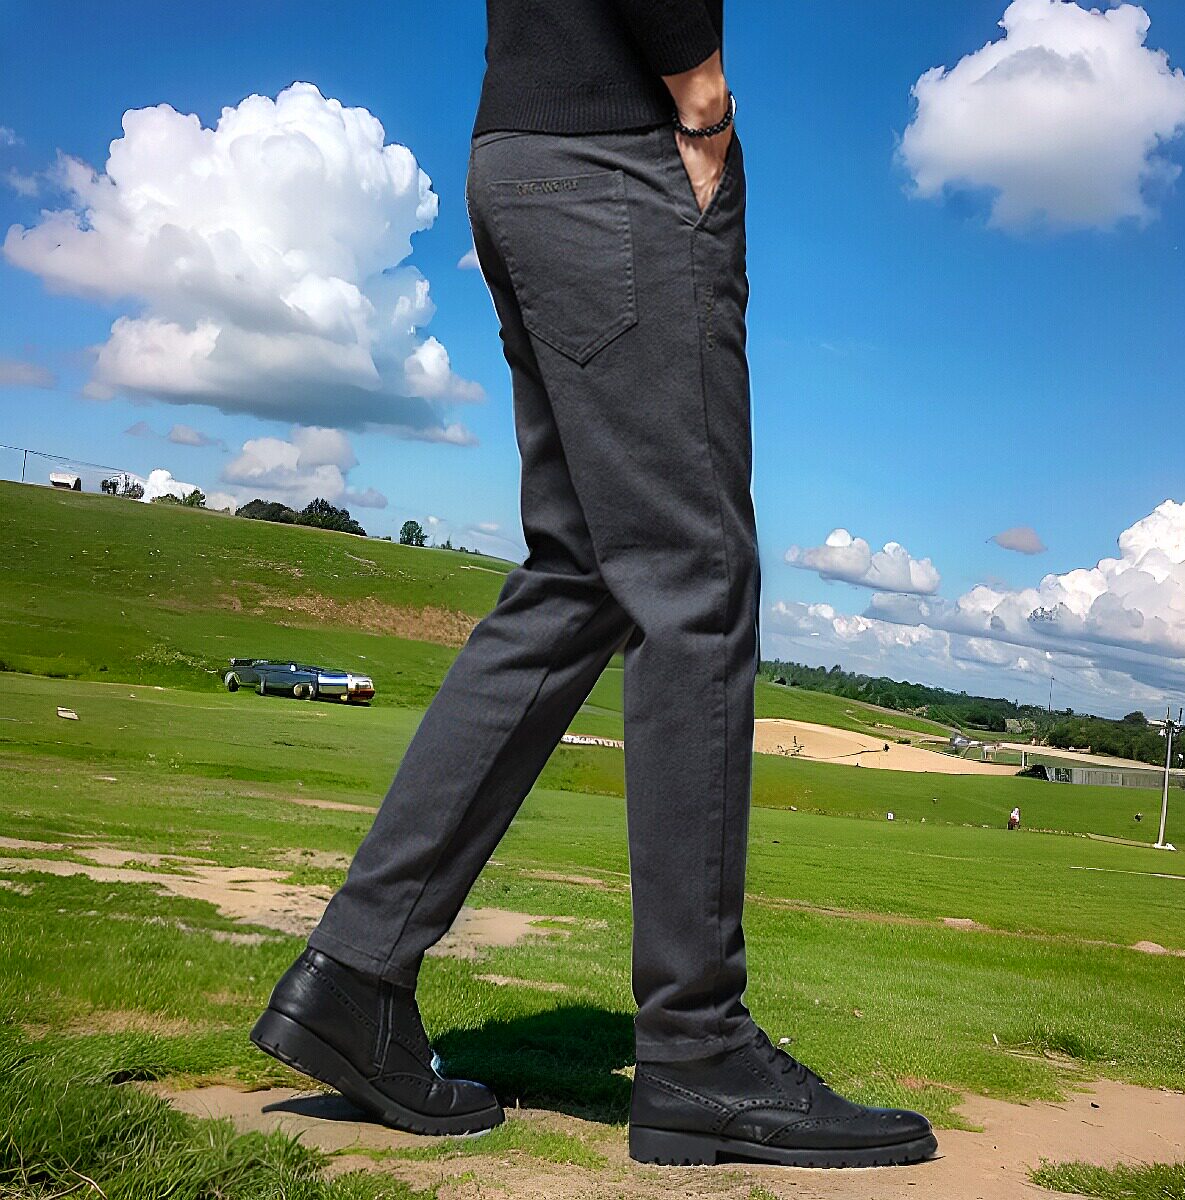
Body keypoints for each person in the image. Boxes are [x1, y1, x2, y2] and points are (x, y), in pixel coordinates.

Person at [250, 0, 936, 1169]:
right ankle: (698, 1047)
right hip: (621, 156)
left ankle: (354, 975)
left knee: (582, 575)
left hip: (524, 157)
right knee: (694, 578)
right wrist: (702, 101)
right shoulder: (662, 127)